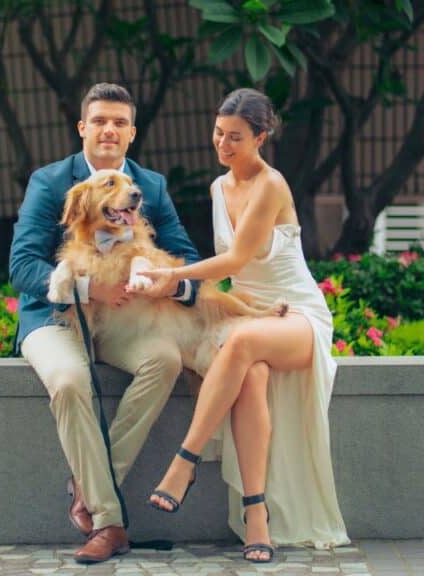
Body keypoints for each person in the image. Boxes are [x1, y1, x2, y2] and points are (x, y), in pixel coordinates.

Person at [140, 88, 349, 562]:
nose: (223, 144)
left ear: (261, 137)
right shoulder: (219, 188)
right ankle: (258, 517)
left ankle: (184, 462)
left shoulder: (271, 185)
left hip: (297, 316)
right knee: (250, 372)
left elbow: (235, 258)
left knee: (242, 344)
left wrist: (172, 274)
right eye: (218, 133)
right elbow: (238, 278)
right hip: (255, 314)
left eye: (236, 137)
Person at [8, 83, 202, 564]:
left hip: (121, 320)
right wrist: (89, 289)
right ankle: (108, 521)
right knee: (70, 381)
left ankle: (87, 485)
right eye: (99, 121)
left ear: (131, 132)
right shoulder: (51, 183)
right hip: (55, 315)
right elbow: (22, 266)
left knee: (164, 358)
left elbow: (189, 260)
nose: (108, 130)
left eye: (119, 122)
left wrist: (171, 285)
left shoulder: (149, 187)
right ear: (82, 128)